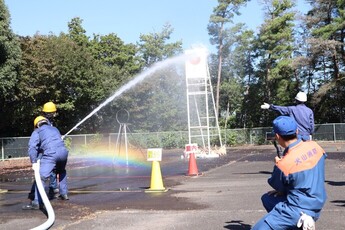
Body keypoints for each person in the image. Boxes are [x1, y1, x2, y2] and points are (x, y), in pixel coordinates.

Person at [252, 116, 327, 230]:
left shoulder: (283, 165)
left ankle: (296, 222)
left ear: (277, 136)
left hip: (297, 209)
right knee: (267, 198)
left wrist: (277, 164)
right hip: (316, 203)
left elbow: (278, 185)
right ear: (297, 131)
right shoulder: (315, 146)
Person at [23, 116, 69, 210]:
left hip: (51, 154)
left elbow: (32, 147)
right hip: (63, 152)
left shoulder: (37, 131)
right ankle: (64, 194)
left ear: (37, 125)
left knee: (41, 177)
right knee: (61, 171)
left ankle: (36, 202)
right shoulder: (54, 129)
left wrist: (34, 161)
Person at [28, 102, 59, 201]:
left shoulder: (47, 122)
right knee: (42, 173)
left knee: (48, 171)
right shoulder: (43, 122)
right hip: (43, 152)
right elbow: (33, 144)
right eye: (52, 113)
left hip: (46, 150)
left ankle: (50, 189)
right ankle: (38, 194)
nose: (53, 115)